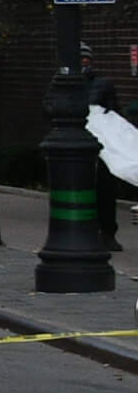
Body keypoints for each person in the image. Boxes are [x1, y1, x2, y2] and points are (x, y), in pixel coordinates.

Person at [89, 44, 123, 251]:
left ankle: (107, 232)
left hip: (101, 144)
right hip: (77, 147)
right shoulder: (62, 83)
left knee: (105, 190)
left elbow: (114, 112)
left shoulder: (103, 84)